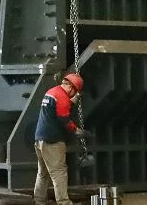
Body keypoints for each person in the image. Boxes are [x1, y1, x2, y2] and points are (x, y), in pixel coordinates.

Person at [33, 72, 85, 205]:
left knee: (43, 173)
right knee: (59, 173)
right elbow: (63, 118)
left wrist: (74, 99)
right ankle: (64, 202)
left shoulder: (52, 92)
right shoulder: (62, 96)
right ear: (72, 87)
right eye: (75, 92)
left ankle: (39, 201)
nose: (74, 94)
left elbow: (59, 107)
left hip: (40, 139)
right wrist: (76, 130)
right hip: (53, 141)